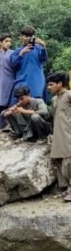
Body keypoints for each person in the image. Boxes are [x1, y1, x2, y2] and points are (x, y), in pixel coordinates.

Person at [48, 73, 71, 201]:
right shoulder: (54, 99)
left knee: (69, 160)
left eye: (51, 84)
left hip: (68, 133)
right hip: (58, 133)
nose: (48, 87)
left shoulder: (69, 95)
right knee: (57, 158)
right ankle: (66, 187)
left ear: (60, 84)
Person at [10, 26, 48, 100]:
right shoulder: (17, 51)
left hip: (37, 82)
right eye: (26, 36)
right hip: (22, 83)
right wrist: (21, 54)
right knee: (22, 103)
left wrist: (43, 46)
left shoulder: (38, 48)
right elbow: (13, 66)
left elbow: (44, 59)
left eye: (30, 36)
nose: (28, 38)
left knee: (36, 103)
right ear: (21, 36)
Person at [0, 33, 17, 128]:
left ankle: (13, 127)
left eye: (10, 41)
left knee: (11, 104)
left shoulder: (13, 53)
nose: (9, 43)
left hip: (11, 82)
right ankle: (1, 128)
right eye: (6, 41)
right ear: (0, 42)